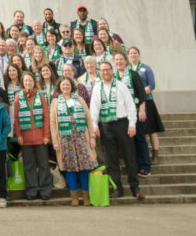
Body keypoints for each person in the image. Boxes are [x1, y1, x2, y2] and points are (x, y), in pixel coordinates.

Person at [89, 60, 144, 200]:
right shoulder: (97, 87)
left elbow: (131, 106)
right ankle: (117, 188)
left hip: (122, 123)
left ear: (112, 71)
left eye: (107, 70)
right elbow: (94, 109)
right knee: (111, 158)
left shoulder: (121, 86)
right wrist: (95, 126)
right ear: (99, 73)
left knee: (129, 156)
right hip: (105, 125)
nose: (105, 72)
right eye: (102, 70)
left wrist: (132, 124)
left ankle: (135, 187)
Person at [51, 76, 97, 206]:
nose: (65, 87)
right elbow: (53, 124)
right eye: (63, 85)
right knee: (69, 169)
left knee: (84, 168)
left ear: (72, 86)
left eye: (68, 85)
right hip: (65, 140)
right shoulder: (55, 102)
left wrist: (92, 137)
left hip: (82, 138)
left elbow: (88, 119)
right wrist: (55, 141)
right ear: (59, 87)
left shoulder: (80, 99)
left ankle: (86, 197)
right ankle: (74, 198)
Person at [12, 70, 52, 201]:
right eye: (25, 81)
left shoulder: (41, 96)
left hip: (40, 137)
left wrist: (47, 135)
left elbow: (46, 116)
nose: (28, 83)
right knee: (28, 165)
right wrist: (18, 135)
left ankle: (45, 190)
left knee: (43, 165)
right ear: (22, 83)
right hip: (26, 138)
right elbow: (16, 119)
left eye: (30, 80)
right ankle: (31, 191)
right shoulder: (18, 96)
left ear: (34, 82)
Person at [128, 45, 164, 164]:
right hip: (132, 104)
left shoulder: (146, 68)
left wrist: (140, 93)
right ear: (128, 56)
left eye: (135, 53)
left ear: (139, 54)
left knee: (152, 129)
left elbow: (151, 85)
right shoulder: (127, 69)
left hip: (147, 101)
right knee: (139, 131)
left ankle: (155, 154)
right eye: (131, 53)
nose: (133, 55)